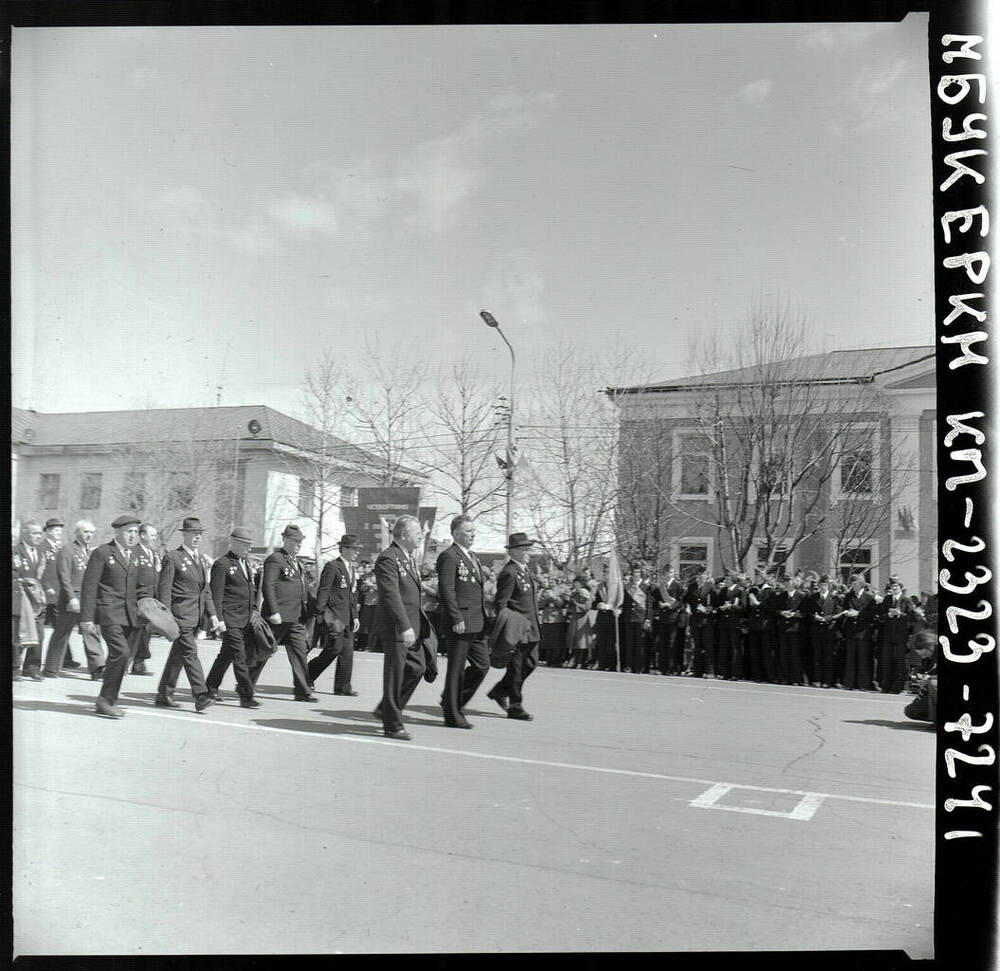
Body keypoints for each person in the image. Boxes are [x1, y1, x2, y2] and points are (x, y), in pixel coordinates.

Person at [373, 515, 435, 739]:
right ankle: (392, 724)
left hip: (413, 625)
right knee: (395, 674)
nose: (421, 535)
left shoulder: (408, 557)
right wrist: (404, 626)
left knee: (417, 668)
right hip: (398, 627)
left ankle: (387, 708)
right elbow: (391, 595)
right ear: (403, 534)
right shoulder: (388, 558)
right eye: (417, 531)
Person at [80, 515, 144, 718]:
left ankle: (108, 699)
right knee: (121, 653)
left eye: (135, 532)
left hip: (130, 615)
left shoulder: (134, 554)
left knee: (122, 658)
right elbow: (89, 586)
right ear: (118, 532)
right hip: (109, 613)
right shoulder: (102, 552)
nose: (133, 535)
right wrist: (87, 618)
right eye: (129, 532)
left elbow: (139, 587)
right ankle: (105, 700)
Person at [154, 517, 219, 712]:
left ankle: (164, 694)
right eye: (193, 533)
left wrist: (213, 614)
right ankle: (200, 695)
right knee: (190, 654)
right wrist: (165, 618)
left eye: (200, 534)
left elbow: (205, 591)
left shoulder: (199, 559)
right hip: (179, 617)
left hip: (195, 616)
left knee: (178, 656)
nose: (197, 537)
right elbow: (164, 591)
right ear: (184, 535)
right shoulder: (173, 557)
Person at [435, 515, 490, 728]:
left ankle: (452, 700)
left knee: (482, 665)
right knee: (456, 668)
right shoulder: (449, 556)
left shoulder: (472, 556)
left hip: (476, 620)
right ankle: (452, 713)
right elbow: (446, 589)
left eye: (473, 531)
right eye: (468, 531)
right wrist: (456, 616)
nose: (473, 535)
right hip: (460, 621)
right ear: (456, 533)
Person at [485, 532, 540, 721]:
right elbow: (501, 604)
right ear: (514, 551)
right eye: (524, 550)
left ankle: (500, 691)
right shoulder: (509, 572)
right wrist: (511, 626)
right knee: (516, 668)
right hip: (517, 629)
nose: (528, 553)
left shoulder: (523, 570)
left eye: (528, 549)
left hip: (530, 628)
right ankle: (515, 706)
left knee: (531, 663)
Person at [205, 526, 262, 708]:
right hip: (230, 619)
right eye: (246, 545)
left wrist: (253, 610)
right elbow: (216, 595)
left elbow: (250, 590)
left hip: (244, 619)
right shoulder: (222, 564)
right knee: (239, 656)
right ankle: (246, 695)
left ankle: (210, 687)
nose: (249, 549)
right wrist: (219, 619)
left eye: (250, 545)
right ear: (234, 543)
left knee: (226, 655)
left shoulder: (244, 564)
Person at [260, 523, 316, 701]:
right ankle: (245, 685)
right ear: (285, 540)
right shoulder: (276, 559)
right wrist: (274, 611)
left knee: (300, 652)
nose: (299, 544)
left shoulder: (296, 563)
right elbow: (268, 585)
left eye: (301, 541)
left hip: (295, 617)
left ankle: (303, 691)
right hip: (278, 617)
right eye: (295, 541)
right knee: (264, 651)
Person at [42, 519, 102, 677]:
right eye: (85, 532)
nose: (89, 535)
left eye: (91, 532)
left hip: (87, 599)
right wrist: (71, 597)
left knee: (91, 631)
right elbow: (64, 576)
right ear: (77, 533)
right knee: (62, 634)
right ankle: (51, 669)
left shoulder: (90, 552)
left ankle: (97, 668)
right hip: (71, 599)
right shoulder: (68, 550)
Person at [307, 534, 362, 697]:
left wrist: (356, 616)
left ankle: (343, 687)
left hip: (348, 617)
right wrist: (320, 612)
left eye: (358, 550)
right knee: (334, 649)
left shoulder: (351, 568)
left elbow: (352, 595)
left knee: (347, 652)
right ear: (344, 548)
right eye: (354, 549)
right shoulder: (332, 566)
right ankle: (308, 674)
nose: (357, 553)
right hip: (334, 616)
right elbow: (323, 590)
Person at [39, 518, 79, 669]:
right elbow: (40, 570)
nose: (58, 533)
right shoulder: (42, 547)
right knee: (53, 628)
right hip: (46, 593)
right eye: (55, 531)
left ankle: (65, 659)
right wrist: (47, 586)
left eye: (60, 531)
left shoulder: (62, 548)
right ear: (47, 532)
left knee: (61, 627)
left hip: (59, 594)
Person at [13, 520, 47, 681]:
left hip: (38, 599)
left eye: (40, 533)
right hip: (22, 598)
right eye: (34, 533)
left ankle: (32, 667)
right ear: (24, 534)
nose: (38, 536)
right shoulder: (16, 551)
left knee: (39, 634)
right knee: (19, 633)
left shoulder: (40, 552)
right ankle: (14, 668)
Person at [130, 522, 160, 676]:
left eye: (155, 535)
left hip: (151, 598)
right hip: (138, 597)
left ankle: (139, 663)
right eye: (152, 534)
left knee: (146, 632)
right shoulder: (133, 552)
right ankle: (124, 664)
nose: (155, 538)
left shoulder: (154, 553)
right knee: (134, 632)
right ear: (142, 535)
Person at [876, 580, 916, 694]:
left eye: (896, 587)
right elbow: (880, 616)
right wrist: (888, 615)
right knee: (887, 661)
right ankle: (886, 686)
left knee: (899, 662)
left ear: (900, 588)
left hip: (900, 635)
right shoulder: (887, 599)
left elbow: (912, 617)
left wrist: (900, 614)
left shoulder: (906, 600)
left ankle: (897, 687)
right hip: (888, 635)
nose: (894, 589)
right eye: (892, 587)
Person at [840, 574, 878, 691]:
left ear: (861, 584)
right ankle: (849, 683)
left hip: (863, 632)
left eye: (855, 583)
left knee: (863, 659)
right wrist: (847, 613)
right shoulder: (848, 596)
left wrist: (858, 614)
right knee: (850, 658)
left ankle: (863, 684)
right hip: (851, 631)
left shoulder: (869, 598)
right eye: (852, 584)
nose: (852, 586)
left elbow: (872, 614)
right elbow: (845, 608)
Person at [803, 574, 842, 688]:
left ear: (829, 586)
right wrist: (814, 617)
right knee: (817, 657)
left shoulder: (834, 598)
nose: (822, 587)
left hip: (829, 630)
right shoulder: (813, 597)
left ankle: (827, 681)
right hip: (816, 630)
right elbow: (807, 612)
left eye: (824, 585)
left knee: (828, 657)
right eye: (821, 585)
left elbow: (837, 613)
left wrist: (827, 618)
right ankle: (817, 679)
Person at [619, 564, 650, 673]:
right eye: (634, 573)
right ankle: (628, 665)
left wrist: (648, 619)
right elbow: (624, 602)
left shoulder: (646, 587)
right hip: (628, 618)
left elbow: (649, 604)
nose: (635, 575)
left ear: (641, 574)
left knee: (639, 644)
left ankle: (638, 666)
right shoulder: (627, 587)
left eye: (637, 573)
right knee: (628, 643)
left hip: (640, 618)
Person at [565, 573, 595, 668]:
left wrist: (576, 604)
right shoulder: (574, 593)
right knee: (573, 640)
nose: (575, 585)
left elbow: (587, 607)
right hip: (574, 617)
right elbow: (570, 606)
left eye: (577, 583)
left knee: (581, 641)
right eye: (575, 583)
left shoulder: (585, 593)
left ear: (581, 584)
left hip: (582, 618)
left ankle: (580, 661)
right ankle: (574, 660)